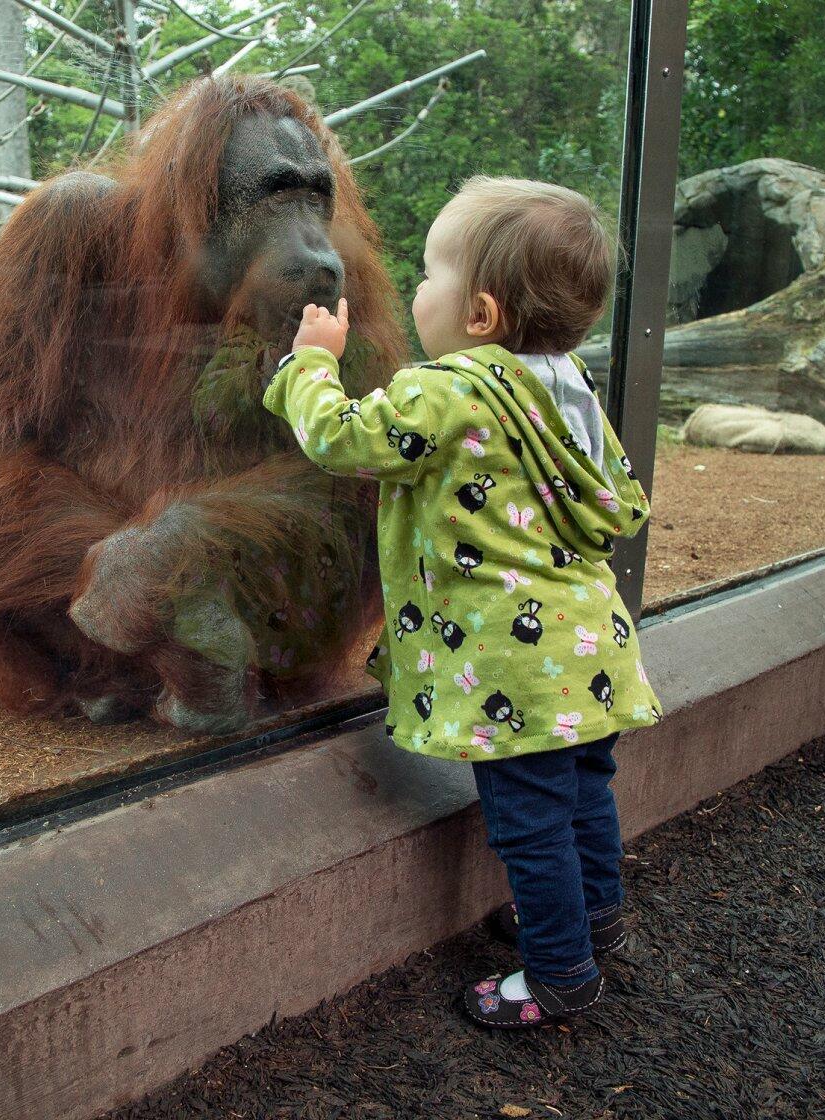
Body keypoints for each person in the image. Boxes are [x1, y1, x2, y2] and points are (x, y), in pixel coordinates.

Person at [262, 177, 662, 1029]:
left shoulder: (452, 389)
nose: (415, 290)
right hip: (590, 652)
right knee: (586, 792)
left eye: (429, 272)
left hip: (514, 669)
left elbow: (342, 438)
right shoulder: (570, 386)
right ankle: (596, 918)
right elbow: (614, 498)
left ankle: (560, 974)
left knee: (528, 823)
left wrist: (312, 365)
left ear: (478, 313)